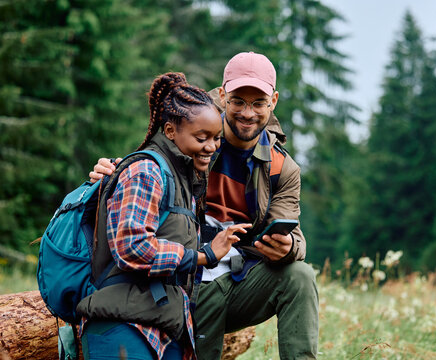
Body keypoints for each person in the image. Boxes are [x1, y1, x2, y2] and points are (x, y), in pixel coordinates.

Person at [90, 52, 319, 359]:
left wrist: (288, 246)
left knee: (300, 276)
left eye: (258, 103)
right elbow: (149, 167)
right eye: (238, 100)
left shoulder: (282, 168)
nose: (247, 113)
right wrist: (113, 171)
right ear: (223, 96)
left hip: (239, 276)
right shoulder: (193, 127)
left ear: (273, 102)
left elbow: (295, 236)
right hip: (184, 274)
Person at [78, 72, 251, 360]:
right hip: (122, 327)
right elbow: (132, 248)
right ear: (170, 131)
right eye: (202, 137)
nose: (211, 146)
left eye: (216, 138)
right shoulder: (146, 172)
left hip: (160, 325)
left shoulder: (183, 179)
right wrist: (202, 256)